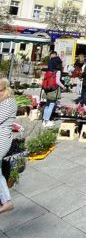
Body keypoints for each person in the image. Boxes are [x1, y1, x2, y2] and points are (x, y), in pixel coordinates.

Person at [0, 78, 17, 214]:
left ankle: (7, 202)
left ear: (6, 89)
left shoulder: (9, 102)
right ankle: (7, 201)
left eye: (0, 90)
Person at [42, 55, 65, 127]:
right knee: (51, 105)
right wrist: (63, 86)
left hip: (47, 89)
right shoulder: (57, 71)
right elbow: (57, 81)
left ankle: (44, 120)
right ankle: (47, 121)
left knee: (47, 104)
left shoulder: (48, 70)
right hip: (54, 90)